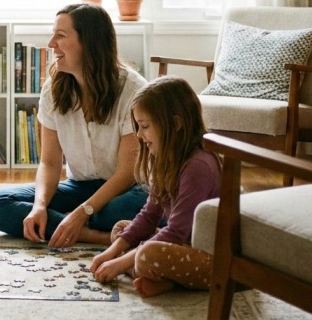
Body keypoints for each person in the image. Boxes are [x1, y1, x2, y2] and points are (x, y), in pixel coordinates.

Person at [0, 3, 149, 247]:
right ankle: (96, 236)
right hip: (79, 188)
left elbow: (126, 174)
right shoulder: (53, 89)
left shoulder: (133, 90)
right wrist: (39, 206)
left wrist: (81, 213)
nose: (51, 44)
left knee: (126, 210)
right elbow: (49, 162)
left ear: (89, 42)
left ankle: (72, 224)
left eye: (60, 36)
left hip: (127, 189)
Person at [89, 75, 221, 298]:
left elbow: (176, 232)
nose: (139, 135)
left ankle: (168, 280)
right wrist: (110, 253)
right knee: (121, 230)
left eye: (145, 127)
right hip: (182, 243)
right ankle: (162, 280)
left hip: (214, 259)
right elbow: (150, 215)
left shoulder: (198, 166)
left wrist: (120, 263)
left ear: (176, 124)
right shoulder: (166, 159)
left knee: (146, 255)